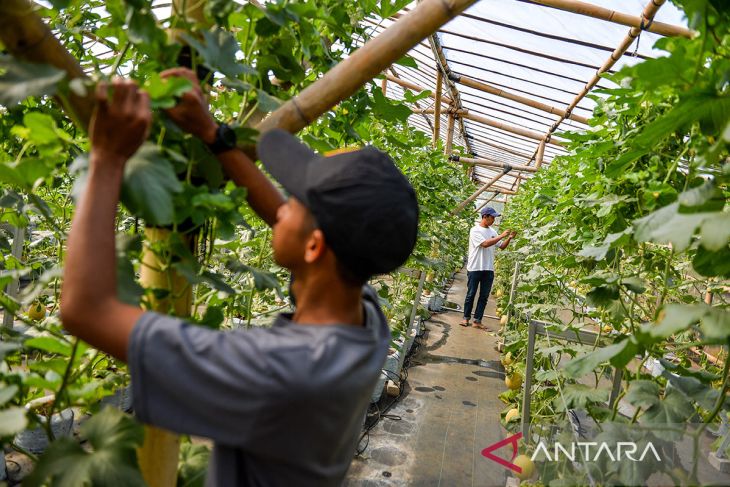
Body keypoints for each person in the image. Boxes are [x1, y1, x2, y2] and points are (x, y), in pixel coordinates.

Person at [60, 71, 419, 486]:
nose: (281, 207)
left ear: (314, 247)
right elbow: (288, 221)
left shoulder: (277, 369)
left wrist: (107, 156)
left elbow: (85, 310)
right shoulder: (364, 318)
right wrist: (211, 134)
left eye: (294, 200)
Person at [460, 206, 515, 329]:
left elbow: (501, 246)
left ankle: (477, 321)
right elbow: (484, 244)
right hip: (475, 268)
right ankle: (465, 318)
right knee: (471, 294)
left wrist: (509, 238)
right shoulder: (475, 230)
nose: (494, 220)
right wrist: (501, 235)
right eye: (492, 217)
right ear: (485, 216)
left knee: (484, 296)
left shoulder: (493, 232)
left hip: (488, 269)